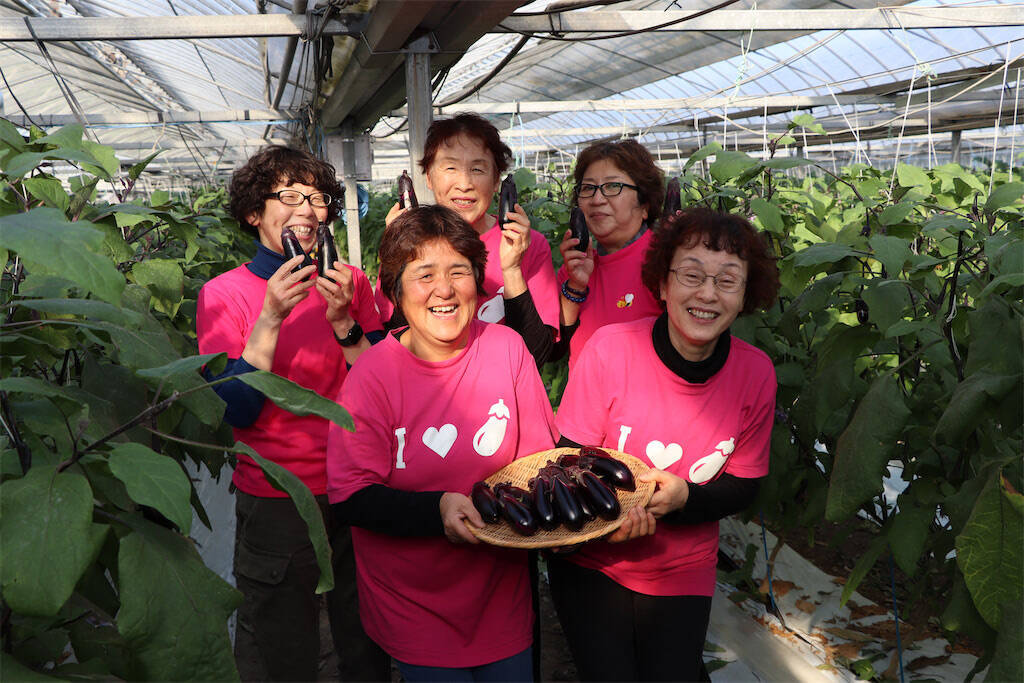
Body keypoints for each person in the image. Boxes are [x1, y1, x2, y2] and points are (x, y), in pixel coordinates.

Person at [328, 205, 558, 681]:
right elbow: (351, 495)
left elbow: (539, 462)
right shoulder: (372, 374)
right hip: (412, 603)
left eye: (459, 271)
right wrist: (437, 509)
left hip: (500, 596)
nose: (445, 290)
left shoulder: (507, 349)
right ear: (395, 291)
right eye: (424, 275)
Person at [549, 207, 781, 681]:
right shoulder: (610, 350)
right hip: (594, 563)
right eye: (691, 275)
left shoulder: (755, 373)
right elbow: (564, 468)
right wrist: (606, 527)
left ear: (745, 295)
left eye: (727, 281)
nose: (707, 294)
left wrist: (685, 499)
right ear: (661, 284)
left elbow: (744, 484)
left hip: (683, 568)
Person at [195, 145, 389, 681]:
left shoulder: (351, 283)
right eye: (289, 195)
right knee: (282, 641)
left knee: (366, 632)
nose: (307, 208)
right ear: (253, 213)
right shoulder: (223, 295)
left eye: (317, 197)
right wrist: (271, 318)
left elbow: (380, 389)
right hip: (278, 494)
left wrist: (344, 319)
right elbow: (238, 409)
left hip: (357, 481)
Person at [376, 113, 560, 364]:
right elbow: (394, 337)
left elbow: (537, 355)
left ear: (496, 181)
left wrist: (513, 270)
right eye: (450, 167)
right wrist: (397, 256)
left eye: (477, 169)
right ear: (428, 177)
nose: (464, 184)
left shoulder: (529, 244)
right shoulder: (406, 244)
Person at [555, 139, 667, 371]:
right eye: (588, 188)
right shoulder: (575, 266)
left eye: (613, 186)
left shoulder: (666, 262)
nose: (597, 200)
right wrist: (575, 286)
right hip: (585, 393)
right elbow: (557, 346)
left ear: (645, 205)